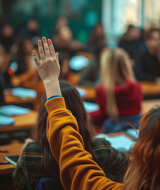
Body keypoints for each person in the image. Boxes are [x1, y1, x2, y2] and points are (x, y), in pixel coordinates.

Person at [32, 37, 160, 190]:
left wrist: (51, 83)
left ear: (142, 158)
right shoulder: (137, 86)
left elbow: (77, 166)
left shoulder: (102, 89)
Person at [13, 79, 128, 190]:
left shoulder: (30, 153)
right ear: (82, 112)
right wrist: (101, 143)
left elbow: (18, 184)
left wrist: (22, 156)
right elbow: (129, 169)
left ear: (44, 116)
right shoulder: (103, 150)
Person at [90, 48, 143, 127]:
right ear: (125, 64)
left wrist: (87, 115)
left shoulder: (102, 89)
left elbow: (102, 117)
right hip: (135, 127)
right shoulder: (136, 86)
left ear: (105, 66)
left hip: (111, 130)